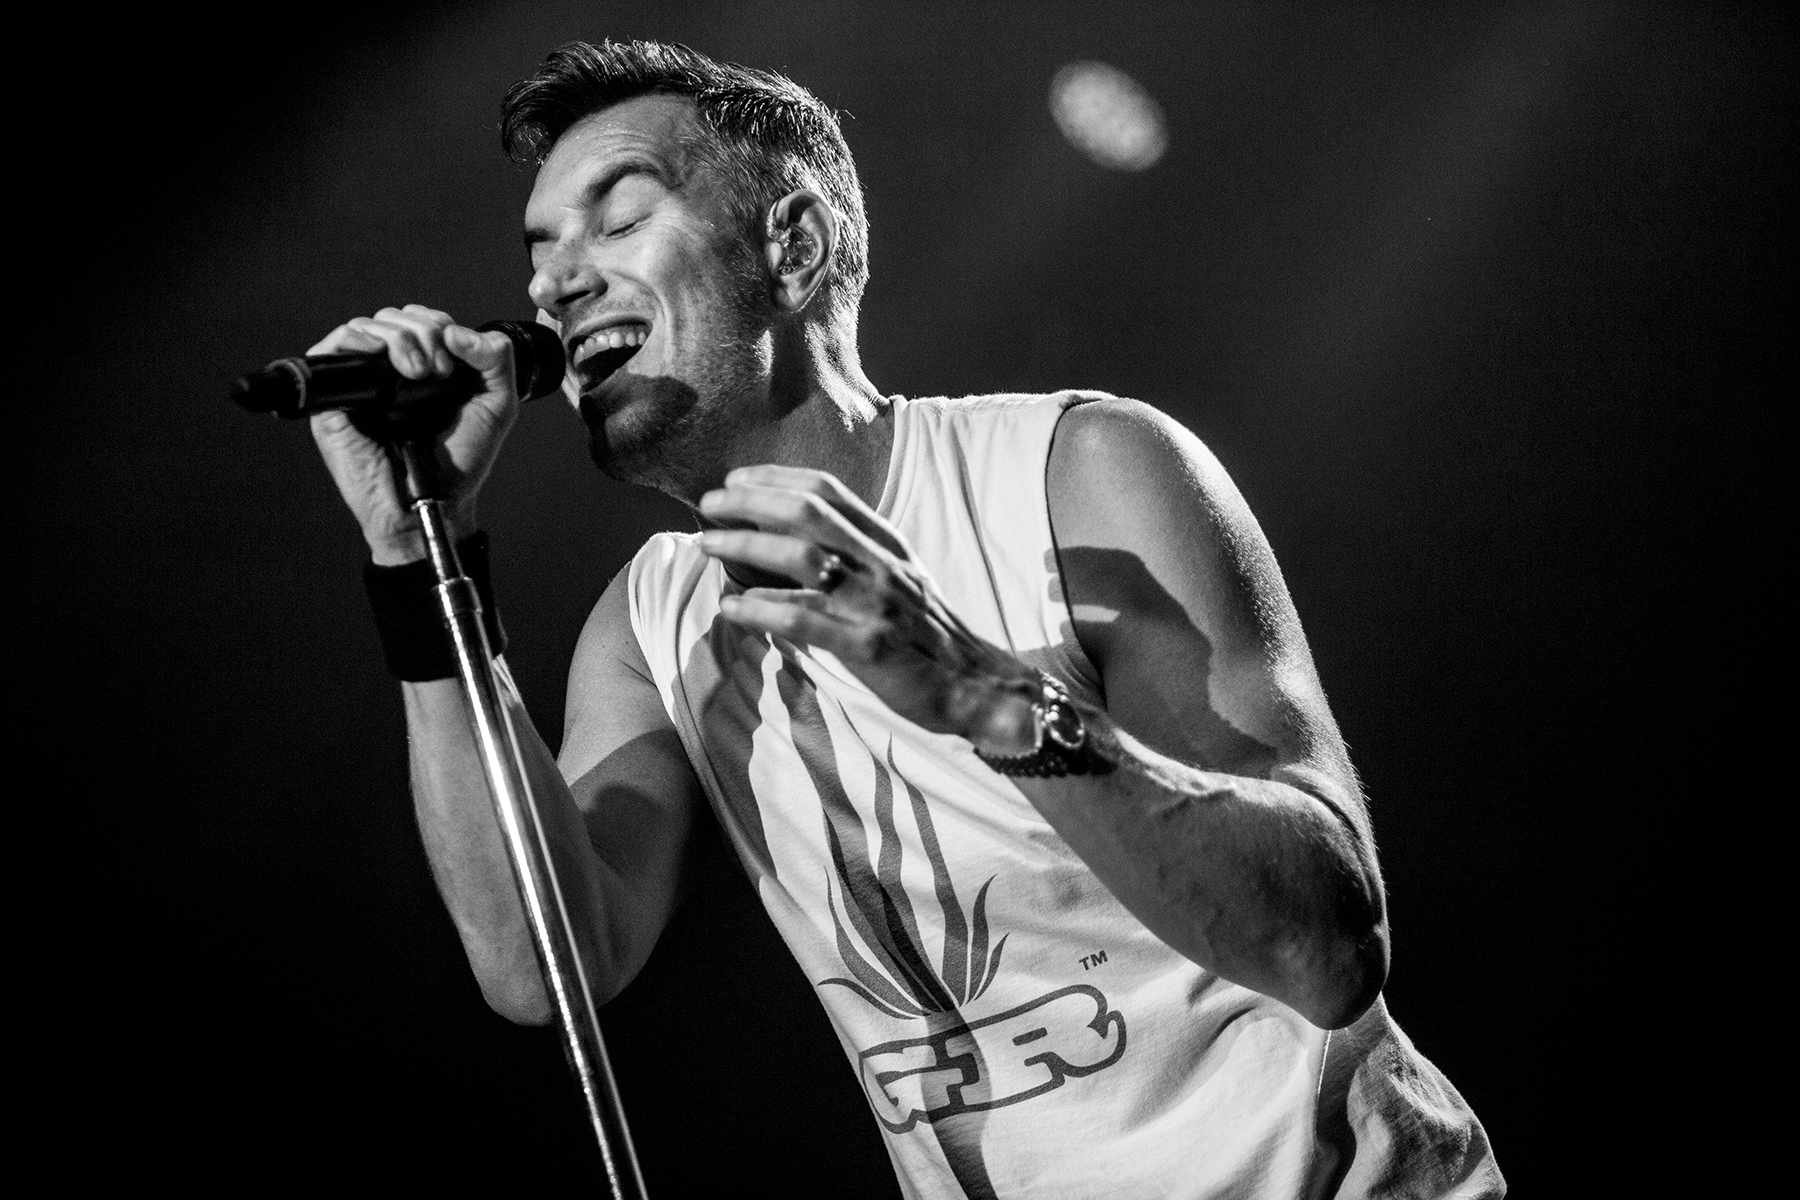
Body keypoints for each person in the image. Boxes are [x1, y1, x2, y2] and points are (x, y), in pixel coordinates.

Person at [308, 39, 1502, 1200]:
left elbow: (1326, 949)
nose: (551, 284)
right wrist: (416, 550)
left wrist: (971, 688)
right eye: (540, 250)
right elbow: (542, 965)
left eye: (616, 220)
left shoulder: (1078, 470)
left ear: (795, 245)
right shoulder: (653, 621)